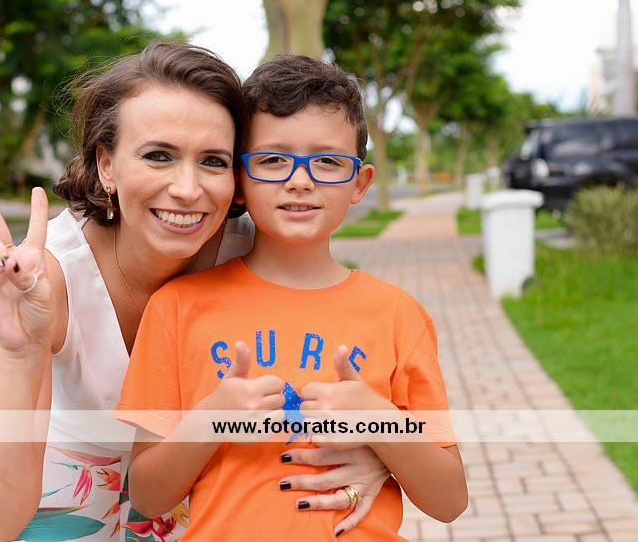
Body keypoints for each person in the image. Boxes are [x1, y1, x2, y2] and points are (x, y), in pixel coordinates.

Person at [0, 41, 390, 541]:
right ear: (106, 165)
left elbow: (347, 376)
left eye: (213, 161)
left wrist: (382, 457)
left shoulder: (252, 253)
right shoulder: (47, 281)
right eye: (159, 155)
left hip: (175, 500)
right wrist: (20, 352)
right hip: (46, 496)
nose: (187, 189)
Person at [116, 55, 468, 540]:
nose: (299, 180)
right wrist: (213, 418)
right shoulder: (177, 308)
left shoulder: (398, 315)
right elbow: (148, 496)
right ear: (239, 181)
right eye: (273, 160)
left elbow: (449, 501)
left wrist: (380, 422)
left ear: (360, 183)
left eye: (327, 161)